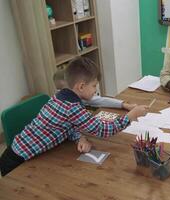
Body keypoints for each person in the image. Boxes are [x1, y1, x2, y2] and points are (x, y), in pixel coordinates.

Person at [0, 57, 148, 177]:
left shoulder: (60, 97)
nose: (95, 91)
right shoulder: (72, 108)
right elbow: (104, 130)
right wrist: (130, 116)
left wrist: (80, 137)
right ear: (81, 86)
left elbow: (66, 125)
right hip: (17, 162)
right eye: (94, 86)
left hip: (18, 152)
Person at [53, 68, 136, 110]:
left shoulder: (75, 95)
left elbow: (99, 100)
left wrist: (123, 105)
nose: (95, 90)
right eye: (93, 86)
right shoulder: (68, 104)